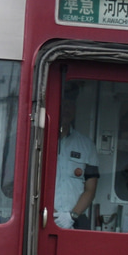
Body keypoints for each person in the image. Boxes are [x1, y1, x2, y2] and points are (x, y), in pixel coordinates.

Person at [54, 90, 99, 229]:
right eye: (63, 105)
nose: (66, 109)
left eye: (70, 105)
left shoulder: (86, 145)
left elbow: (90, 188)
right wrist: (53, 215)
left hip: (75, 220)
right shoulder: (39, 141)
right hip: (42, 217)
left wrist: (71, 217)